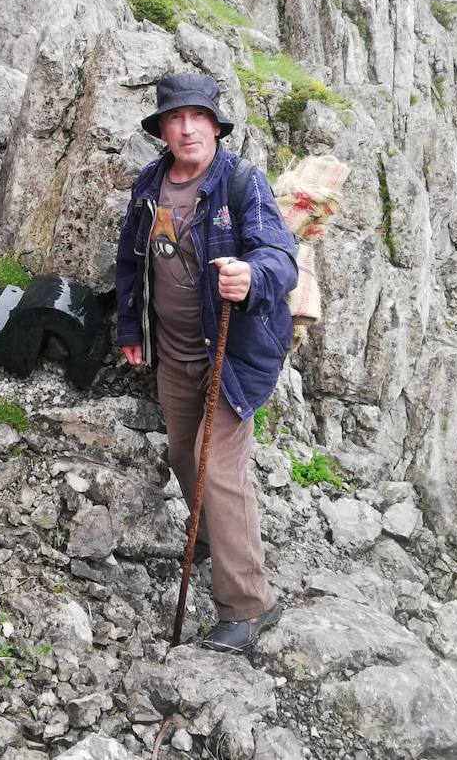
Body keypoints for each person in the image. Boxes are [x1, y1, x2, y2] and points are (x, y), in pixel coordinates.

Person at [115, 71, 298, 653]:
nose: (187, 126)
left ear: (215, 125)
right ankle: (215, 532)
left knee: (215, 465)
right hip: (173, 351)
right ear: (164, 129)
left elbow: (280, 256)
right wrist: (129, 327)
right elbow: (130, 263)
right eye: (175, 117)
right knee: (179, 454)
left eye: (198, 116)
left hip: (232, 353)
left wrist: (255, 275)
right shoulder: (151, 185)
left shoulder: (241, 183)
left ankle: (249, 605)